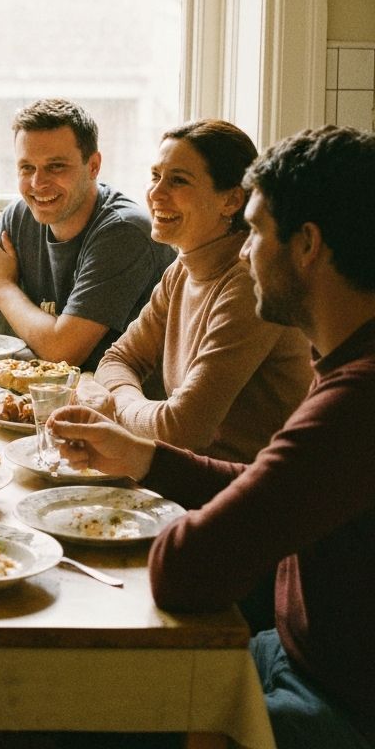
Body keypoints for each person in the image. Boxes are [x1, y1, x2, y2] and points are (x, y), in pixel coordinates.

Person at [51, 125, 375, 749]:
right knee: (66, 701)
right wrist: (144, 457)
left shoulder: (357, 402)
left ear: (307, 246)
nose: (245, 251)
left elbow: (185, 570)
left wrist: (163, 505)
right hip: (291, 652)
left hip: (335, 701)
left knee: (68, 719)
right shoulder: (341, 363)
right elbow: (269, 488)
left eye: (255, 231)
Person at [94, 119, 311, 461]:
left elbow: (182, 429)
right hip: (192, 474)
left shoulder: (249, 284)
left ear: (231, 201)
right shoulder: (181, 269)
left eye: (178, 180)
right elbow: (118, 358)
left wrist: (116, 405)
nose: (155, 194)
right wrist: (133, 406)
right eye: (155, 176)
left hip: (253, 489)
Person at [0, 98, 174, 370]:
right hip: (52, 389)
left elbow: (63, 351)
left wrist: (2, 287)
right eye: (27, 168)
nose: (38, 183)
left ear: (93, 166)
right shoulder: (19, 217)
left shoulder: (124, 231)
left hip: (119, 398)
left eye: (56, 166)